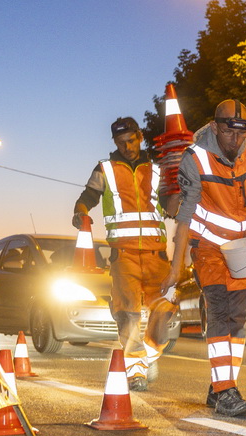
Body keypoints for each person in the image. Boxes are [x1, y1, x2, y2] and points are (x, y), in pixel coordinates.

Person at [161, 100, 246, 417]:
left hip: (241, 246)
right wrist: (175, 268)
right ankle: (226, 391)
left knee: (239, 316)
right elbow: (183, 217)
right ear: (215, 126)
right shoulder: (195, 158)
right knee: (220, 310)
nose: (236, 140)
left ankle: (220, 386)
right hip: (207, 245)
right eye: (228, 131)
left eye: (243, 132)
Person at [72, 117, 168, 391]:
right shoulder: (105, 169)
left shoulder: (158, 169)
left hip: (156, 254)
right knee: (129, 313)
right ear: (114, 142)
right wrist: (80, 213)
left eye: (131, 140)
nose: (127, 147)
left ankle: (148, 355)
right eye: (120, 143)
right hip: (122, 254)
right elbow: (87, 197)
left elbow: (171, 203)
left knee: (165, 310)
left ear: (140, 136)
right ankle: (136, 369)